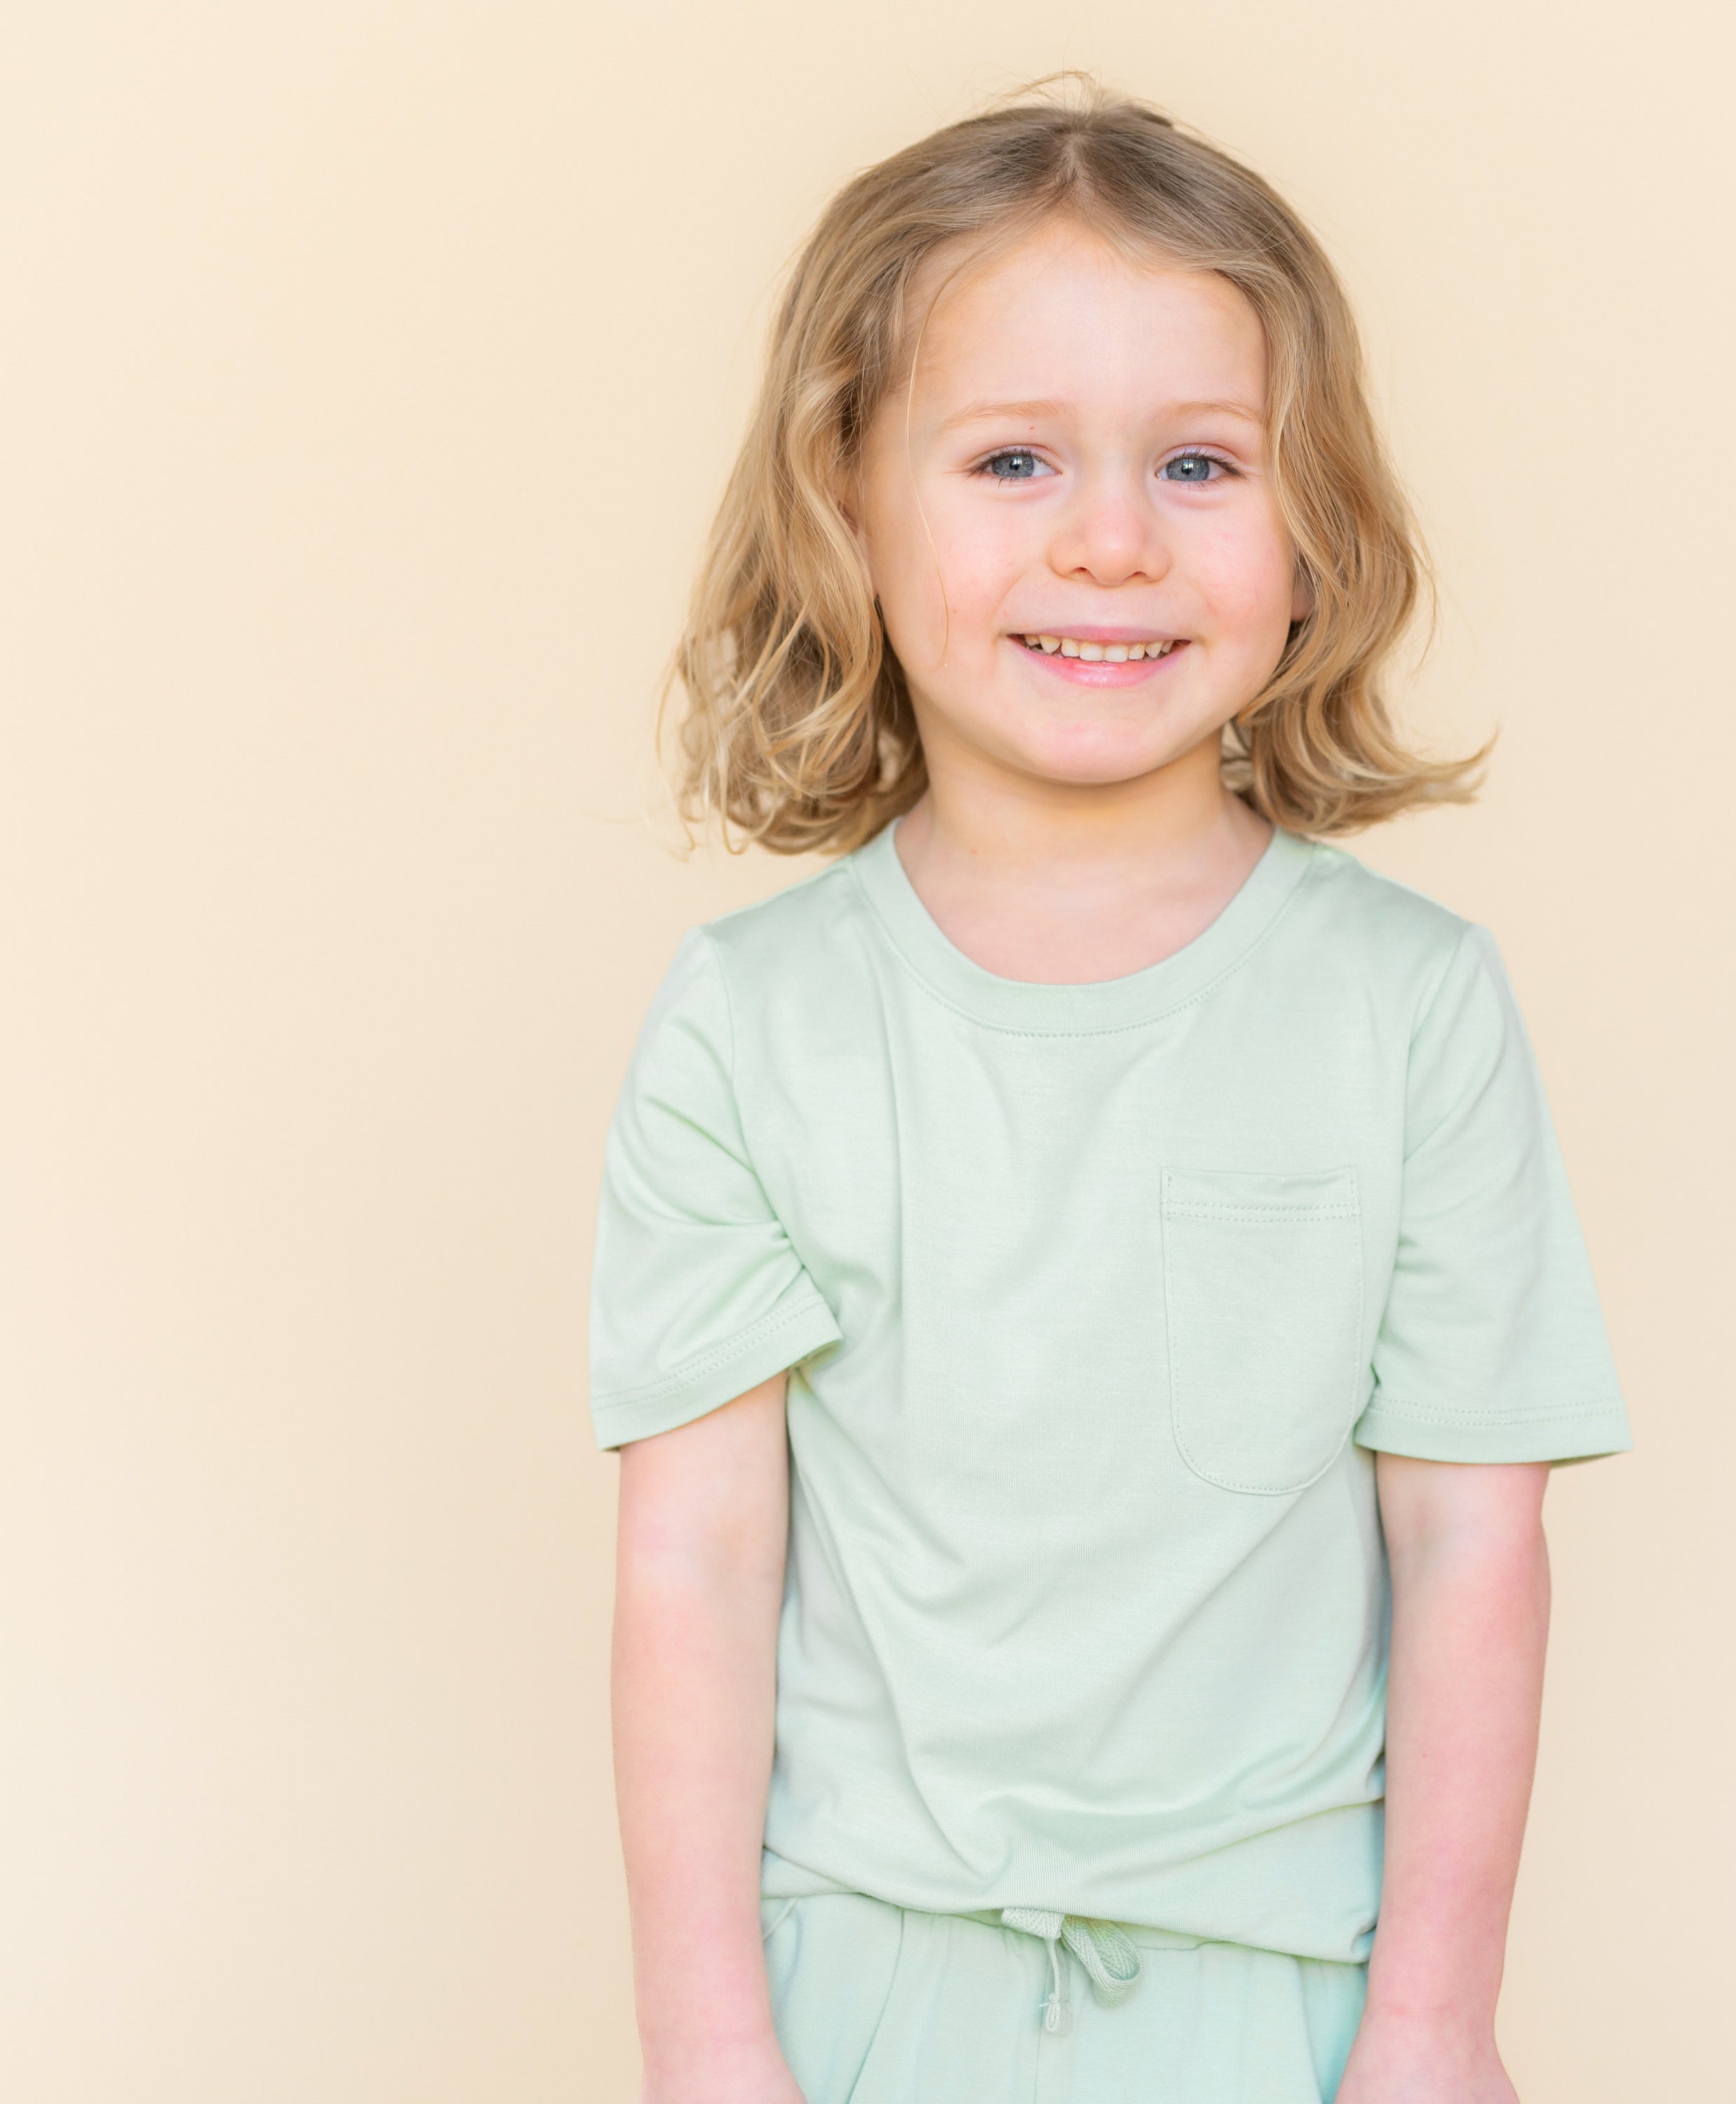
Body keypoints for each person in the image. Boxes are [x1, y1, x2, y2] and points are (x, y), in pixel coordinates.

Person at [590, 80, 1631, 2104]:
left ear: (1312, 525)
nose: (1110, 541)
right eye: (1009, 458)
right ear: (848, 503)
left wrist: (1432, 2022)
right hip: (857, 1985)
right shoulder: (749, 1023)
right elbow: (695, 1564)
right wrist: (709, 2048)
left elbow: (1470, 1548)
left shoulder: (1413, 1009)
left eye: (1198, 462)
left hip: (1293, 1987)